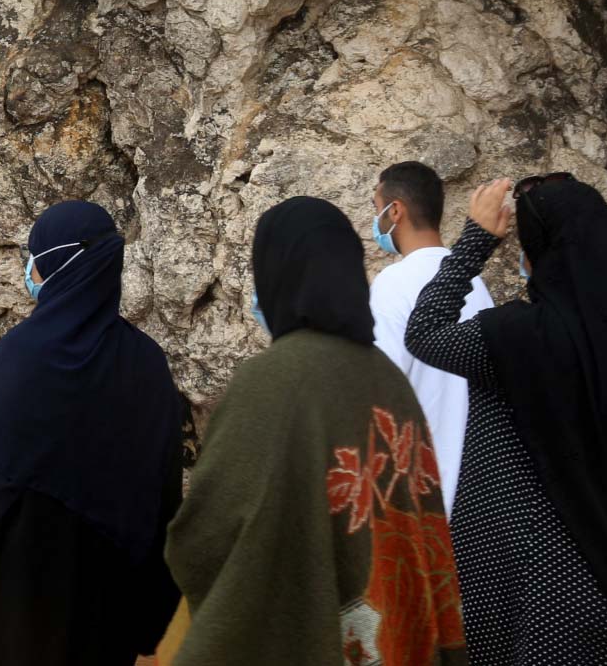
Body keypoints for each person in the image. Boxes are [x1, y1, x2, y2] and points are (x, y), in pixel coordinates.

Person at [407, 176, 607, 666]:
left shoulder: (516, 337)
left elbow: (425, 332)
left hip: (519, 578)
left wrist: (475, 240)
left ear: (539, 251)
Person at [169, 197, 463, 666]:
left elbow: (208, 533)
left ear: (276, 273)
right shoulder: (391, 382)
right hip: (396, 637)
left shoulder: (271, 380)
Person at [0, 201, 183, 665]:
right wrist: (151, 615)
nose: (30, 271)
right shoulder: (148, 364)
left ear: (58, 265)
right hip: (105, 605)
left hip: (11, 596)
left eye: (35, 259)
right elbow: (163, 500)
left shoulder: (22, 357)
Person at [367, 161, 493, 513]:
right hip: (477, 483)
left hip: (423, 486)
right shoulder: (474, 281)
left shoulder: (393, 283)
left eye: (377, 209)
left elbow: (382, 389)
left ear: (395, 211)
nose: (376, 220)